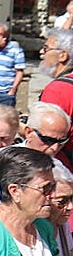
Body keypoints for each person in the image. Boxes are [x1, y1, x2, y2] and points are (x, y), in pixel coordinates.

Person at [0, 102, 73, 231]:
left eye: (61, 142)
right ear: (29, 132)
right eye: (48, 140)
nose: (55, 148)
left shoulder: (58, 165)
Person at [37, 28, 73, 165]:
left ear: (62, 55)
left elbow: (46, 140)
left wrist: (21, 127)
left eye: (46, 48)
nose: (41, 52)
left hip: (64, 168)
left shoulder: (57, 90)